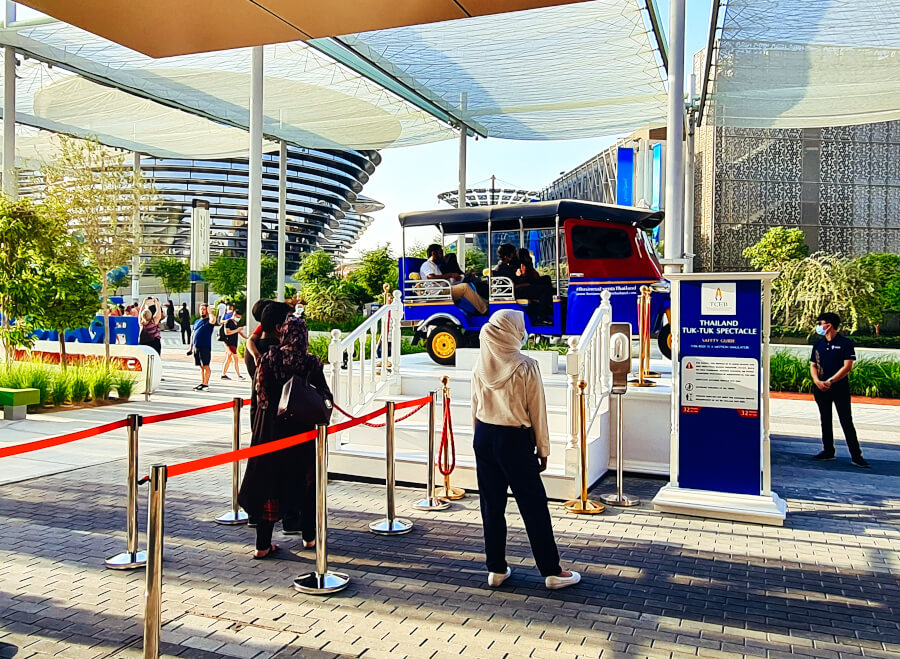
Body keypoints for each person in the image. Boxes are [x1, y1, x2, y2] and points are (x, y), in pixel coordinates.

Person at [471, 309, 580, 590]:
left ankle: (495, 569)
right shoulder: (525, 365)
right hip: (514, 441)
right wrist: (543, 449)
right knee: (533, 506)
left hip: (484, 437)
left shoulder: (480, 364)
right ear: (512, 331)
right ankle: (552, 571)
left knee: (491, 506)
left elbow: (474, 408)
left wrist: (480, 442)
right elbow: (537, 411)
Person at [238, 316, 331, 558]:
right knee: (307, 482)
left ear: (284, 333)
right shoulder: (311, 362)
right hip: (302, 432)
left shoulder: (269, 358)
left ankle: (262, 545)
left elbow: (261, 395)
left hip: (270, 430)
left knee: (268, 485)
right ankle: (309, 538)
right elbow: (324, 395)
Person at [810, 312, 870, 468]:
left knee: (846, 420)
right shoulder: (818, 344)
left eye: (821, 323)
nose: (819, 326)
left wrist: (830, 381)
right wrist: (817, 381)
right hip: (820, 388)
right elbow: (813, 365)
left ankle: (856, 456)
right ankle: (828, 451)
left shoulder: (845, 343)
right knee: (825, 419)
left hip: (839, 388)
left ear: (829, 325)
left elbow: (847, 366)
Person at [420, 243, 488, 314]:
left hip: (444, 289)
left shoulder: (434, 266)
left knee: (469, 284)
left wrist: (454, 279)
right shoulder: (427, 265)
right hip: (438, 293)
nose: (443, 257)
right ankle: (484, 310)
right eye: (440, 253)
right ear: (433, 254)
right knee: (464, 287)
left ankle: (481, 307)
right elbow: (431, 277)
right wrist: (450, 275)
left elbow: (441, 280)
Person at [517, 248, 554, 325]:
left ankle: (549, 304)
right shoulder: (522, 265)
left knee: (547, 280)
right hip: (525, 286)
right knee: (545, 289)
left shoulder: (528, 264)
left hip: (531, 283)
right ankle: (542, 316)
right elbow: (523, 278)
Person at [188, 303, 215, 391]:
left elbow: (213, 320)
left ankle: (206, 384)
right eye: (201, 309)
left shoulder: (209, 321)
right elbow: (193, 334)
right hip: (197, 346)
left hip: (205, 346)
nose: (202, 311)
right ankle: (202, 383)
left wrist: (210, 312)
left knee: (206, 365)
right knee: (201, 366)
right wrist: (191, 347)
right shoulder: (197, 321)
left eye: (204, 309)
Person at [221, 309, 248, 381]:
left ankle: (223, 374)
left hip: (234, 343)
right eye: (237, 317)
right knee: (235, 358)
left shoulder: (236, 323)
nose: (238, 318)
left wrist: (248, 338)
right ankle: (238, 375)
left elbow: (240, 333)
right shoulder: (228, 322)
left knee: (228, 359)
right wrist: (237, 330)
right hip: (229, 343)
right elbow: (227, 332)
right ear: (234, 315)